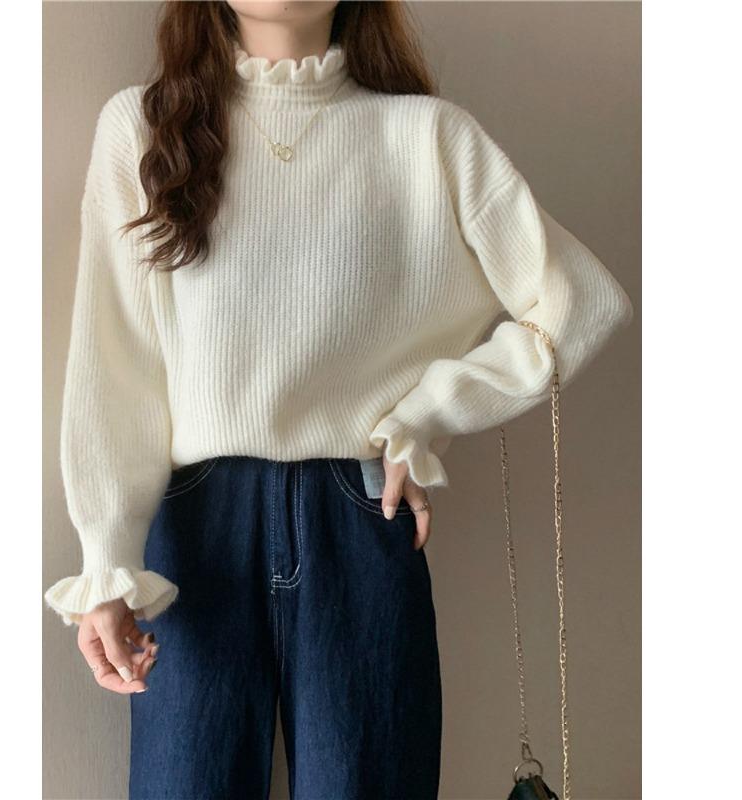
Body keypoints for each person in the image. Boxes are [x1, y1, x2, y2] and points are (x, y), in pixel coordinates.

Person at [44, 2, 634, 798]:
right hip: (195, 533)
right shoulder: (145, 128)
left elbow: (579, 301)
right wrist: (107, 563)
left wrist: (427, 415)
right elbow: (115, 364)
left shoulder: (427, 138)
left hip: (359, 517)